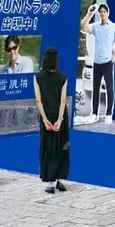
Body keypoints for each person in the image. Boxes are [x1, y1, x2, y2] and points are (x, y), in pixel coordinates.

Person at [34, 47, 70, 194]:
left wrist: (44, 119)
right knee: (61, 146)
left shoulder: (38, 77)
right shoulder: (63, 77)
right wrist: (60, 120)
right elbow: (63, 101)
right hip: (60, 115)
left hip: (46, 114)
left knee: (47, 146)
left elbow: (38, 100)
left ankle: (50, 183)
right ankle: (59, 179)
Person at [80, 4, 115, 125]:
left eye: (104, 11)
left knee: (109, 88)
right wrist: (89, 14)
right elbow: (83, 28)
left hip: (107, 62)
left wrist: (113, 57)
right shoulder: (95, 26)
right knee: (96, 88)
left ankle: (109, 114)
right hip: (97, 62)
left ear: (108, 13)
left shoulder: (113, 27)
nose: (102, 13)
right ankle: (94, 114)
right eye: (101, 12)